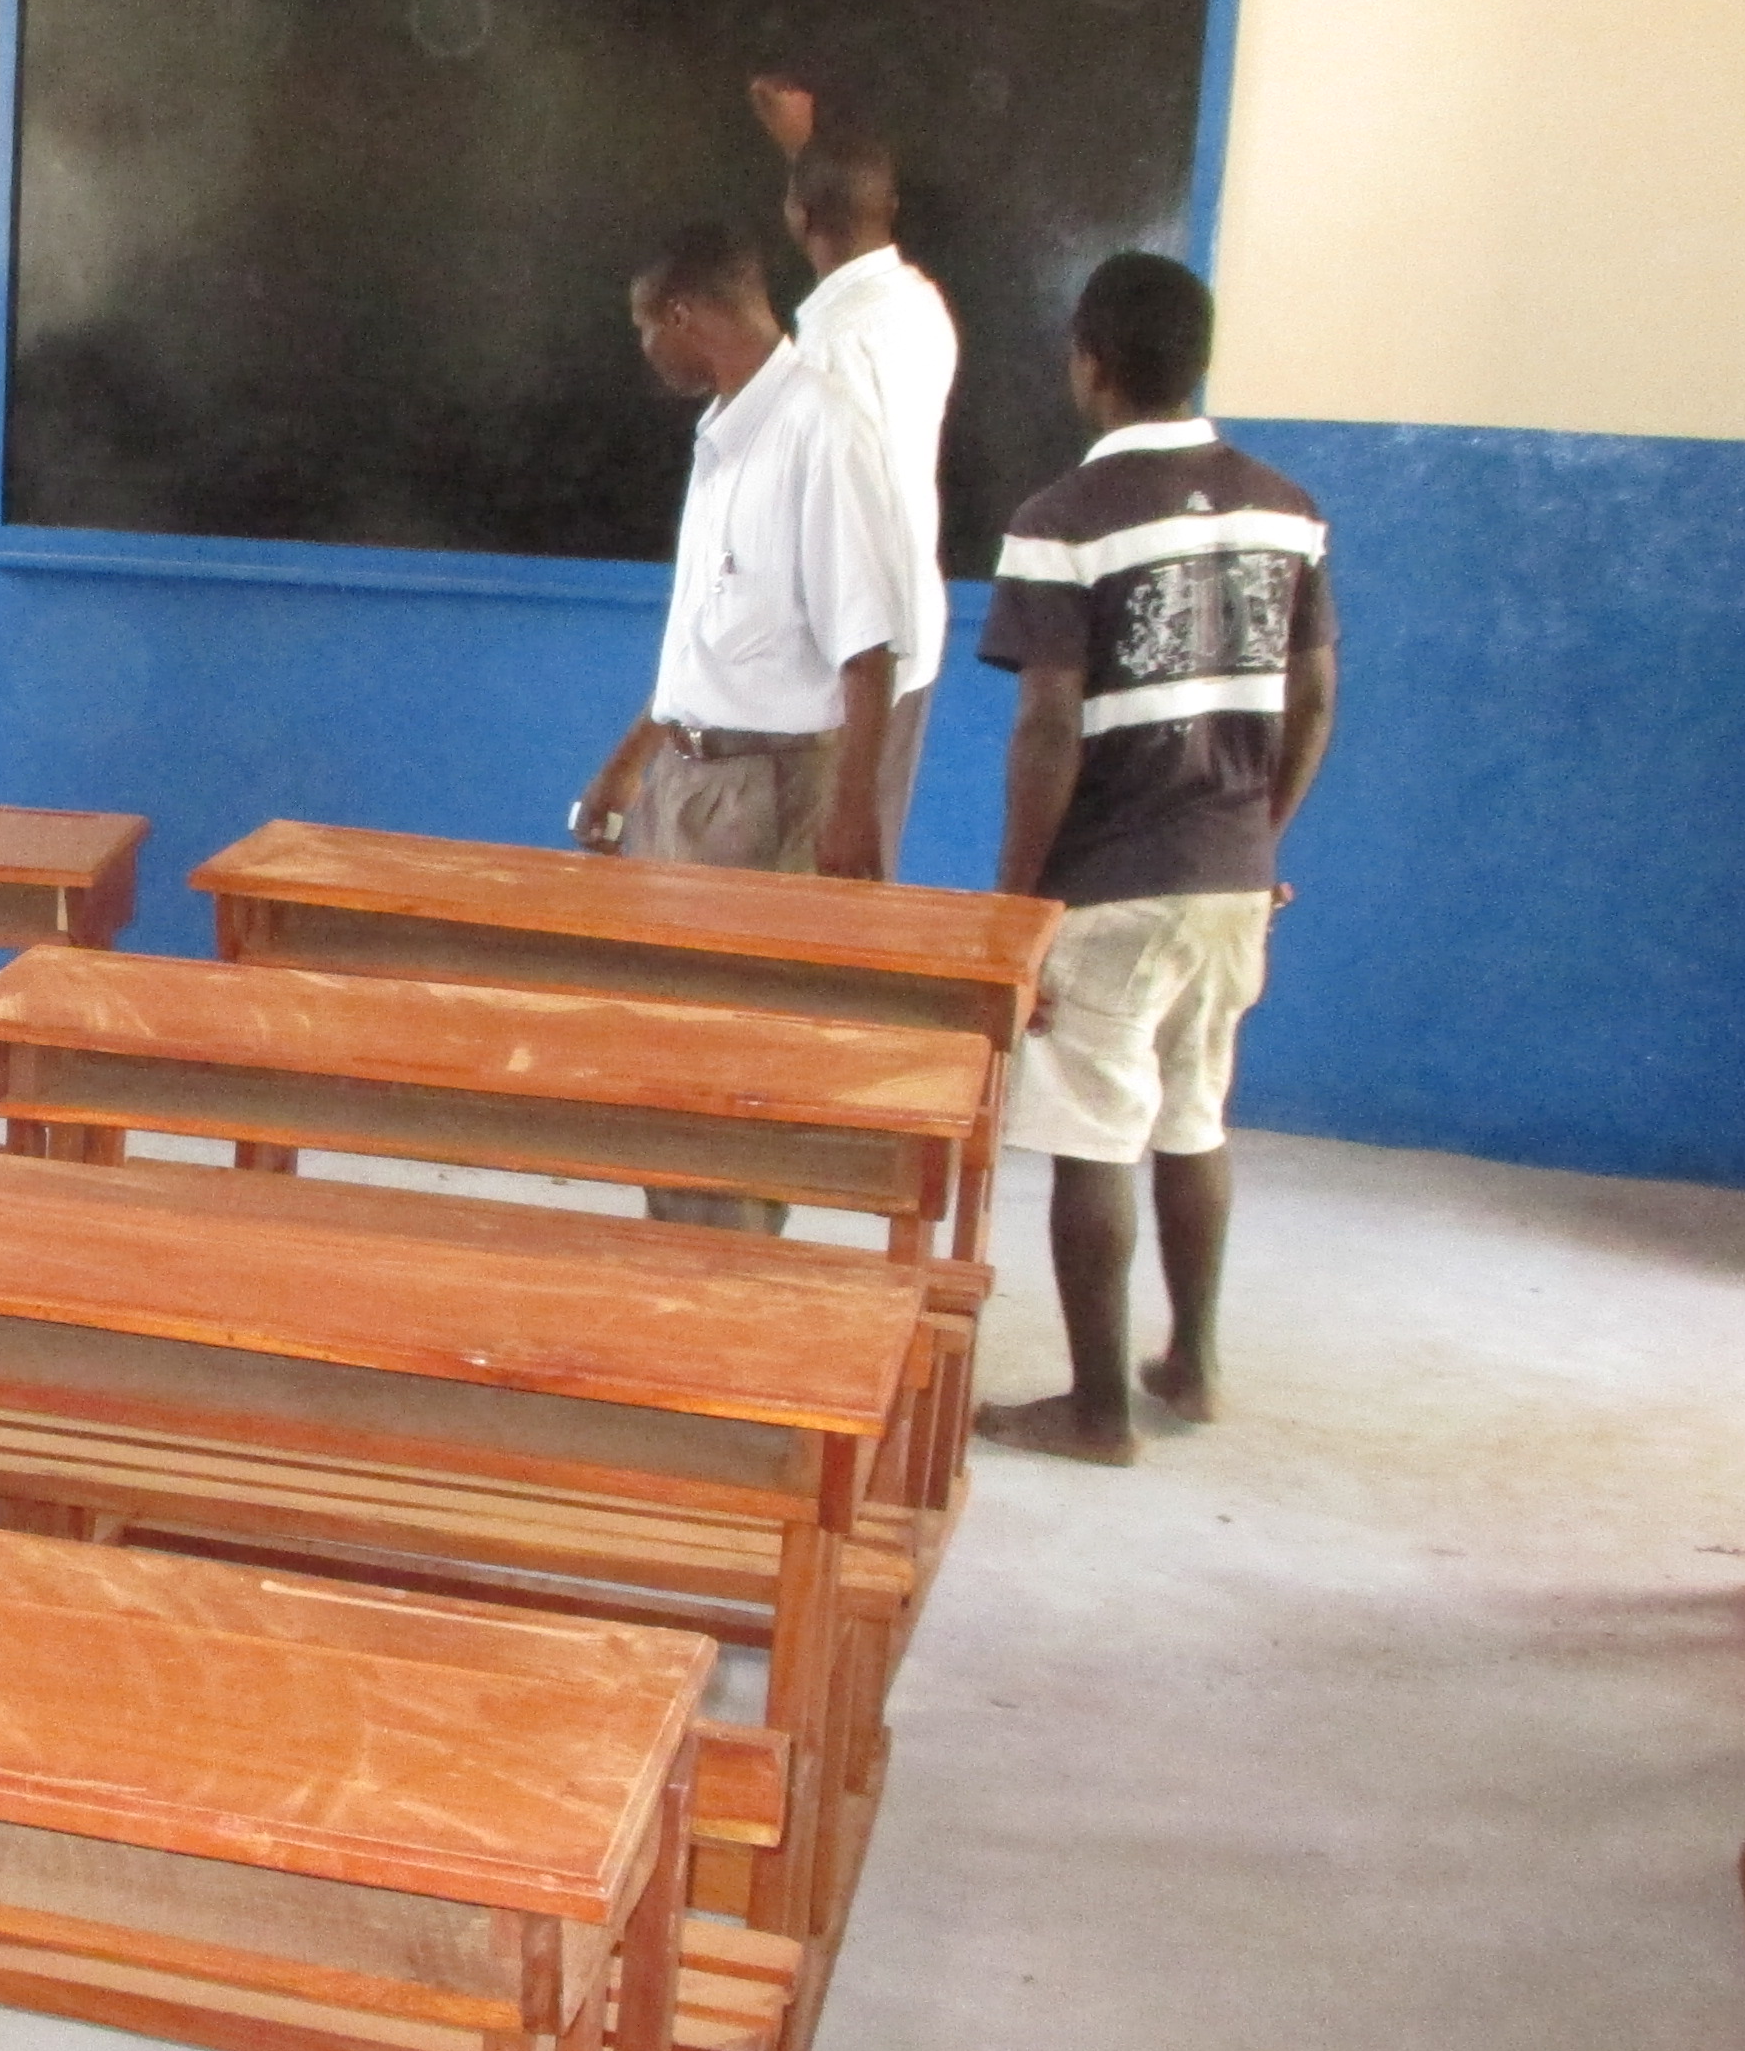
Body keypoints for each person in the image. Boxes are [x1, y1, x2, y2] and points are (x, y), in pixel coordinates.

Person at [971, 252, 1340, 1467]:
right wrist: (1258, 835)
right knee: (1192, 1114)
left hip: (1111, 875)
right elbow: (1314, 694)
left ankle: (1096, 1410)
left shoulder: (1060, 521)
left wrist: (1017, 903)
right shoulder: (1287, 509)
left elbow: (1047, 726)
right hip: (1233, 872)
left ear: (1091, 363)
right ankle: (1194, 1361)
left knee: (1092, 1129)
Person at [568, 222, 919, 887]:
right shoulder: (720, 438)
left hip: (776, 790)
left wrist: (851, 812)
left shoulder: (824, 428)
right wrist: (626, 765)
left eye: (646, 329)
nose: (646, 351)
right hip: (683, 780)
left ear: (681, 316)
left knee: (755, 961)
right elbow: (705, 642)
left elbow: (869, 651)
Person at [780, 131, 960, 870]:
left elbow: (832, 506)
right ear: (890, 206)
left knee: (817, 879)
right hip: (910, 625)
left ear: (798, 216)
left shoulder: (830, 340)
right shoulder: (922, 303)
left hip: (849, 650)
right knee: (861, 875)